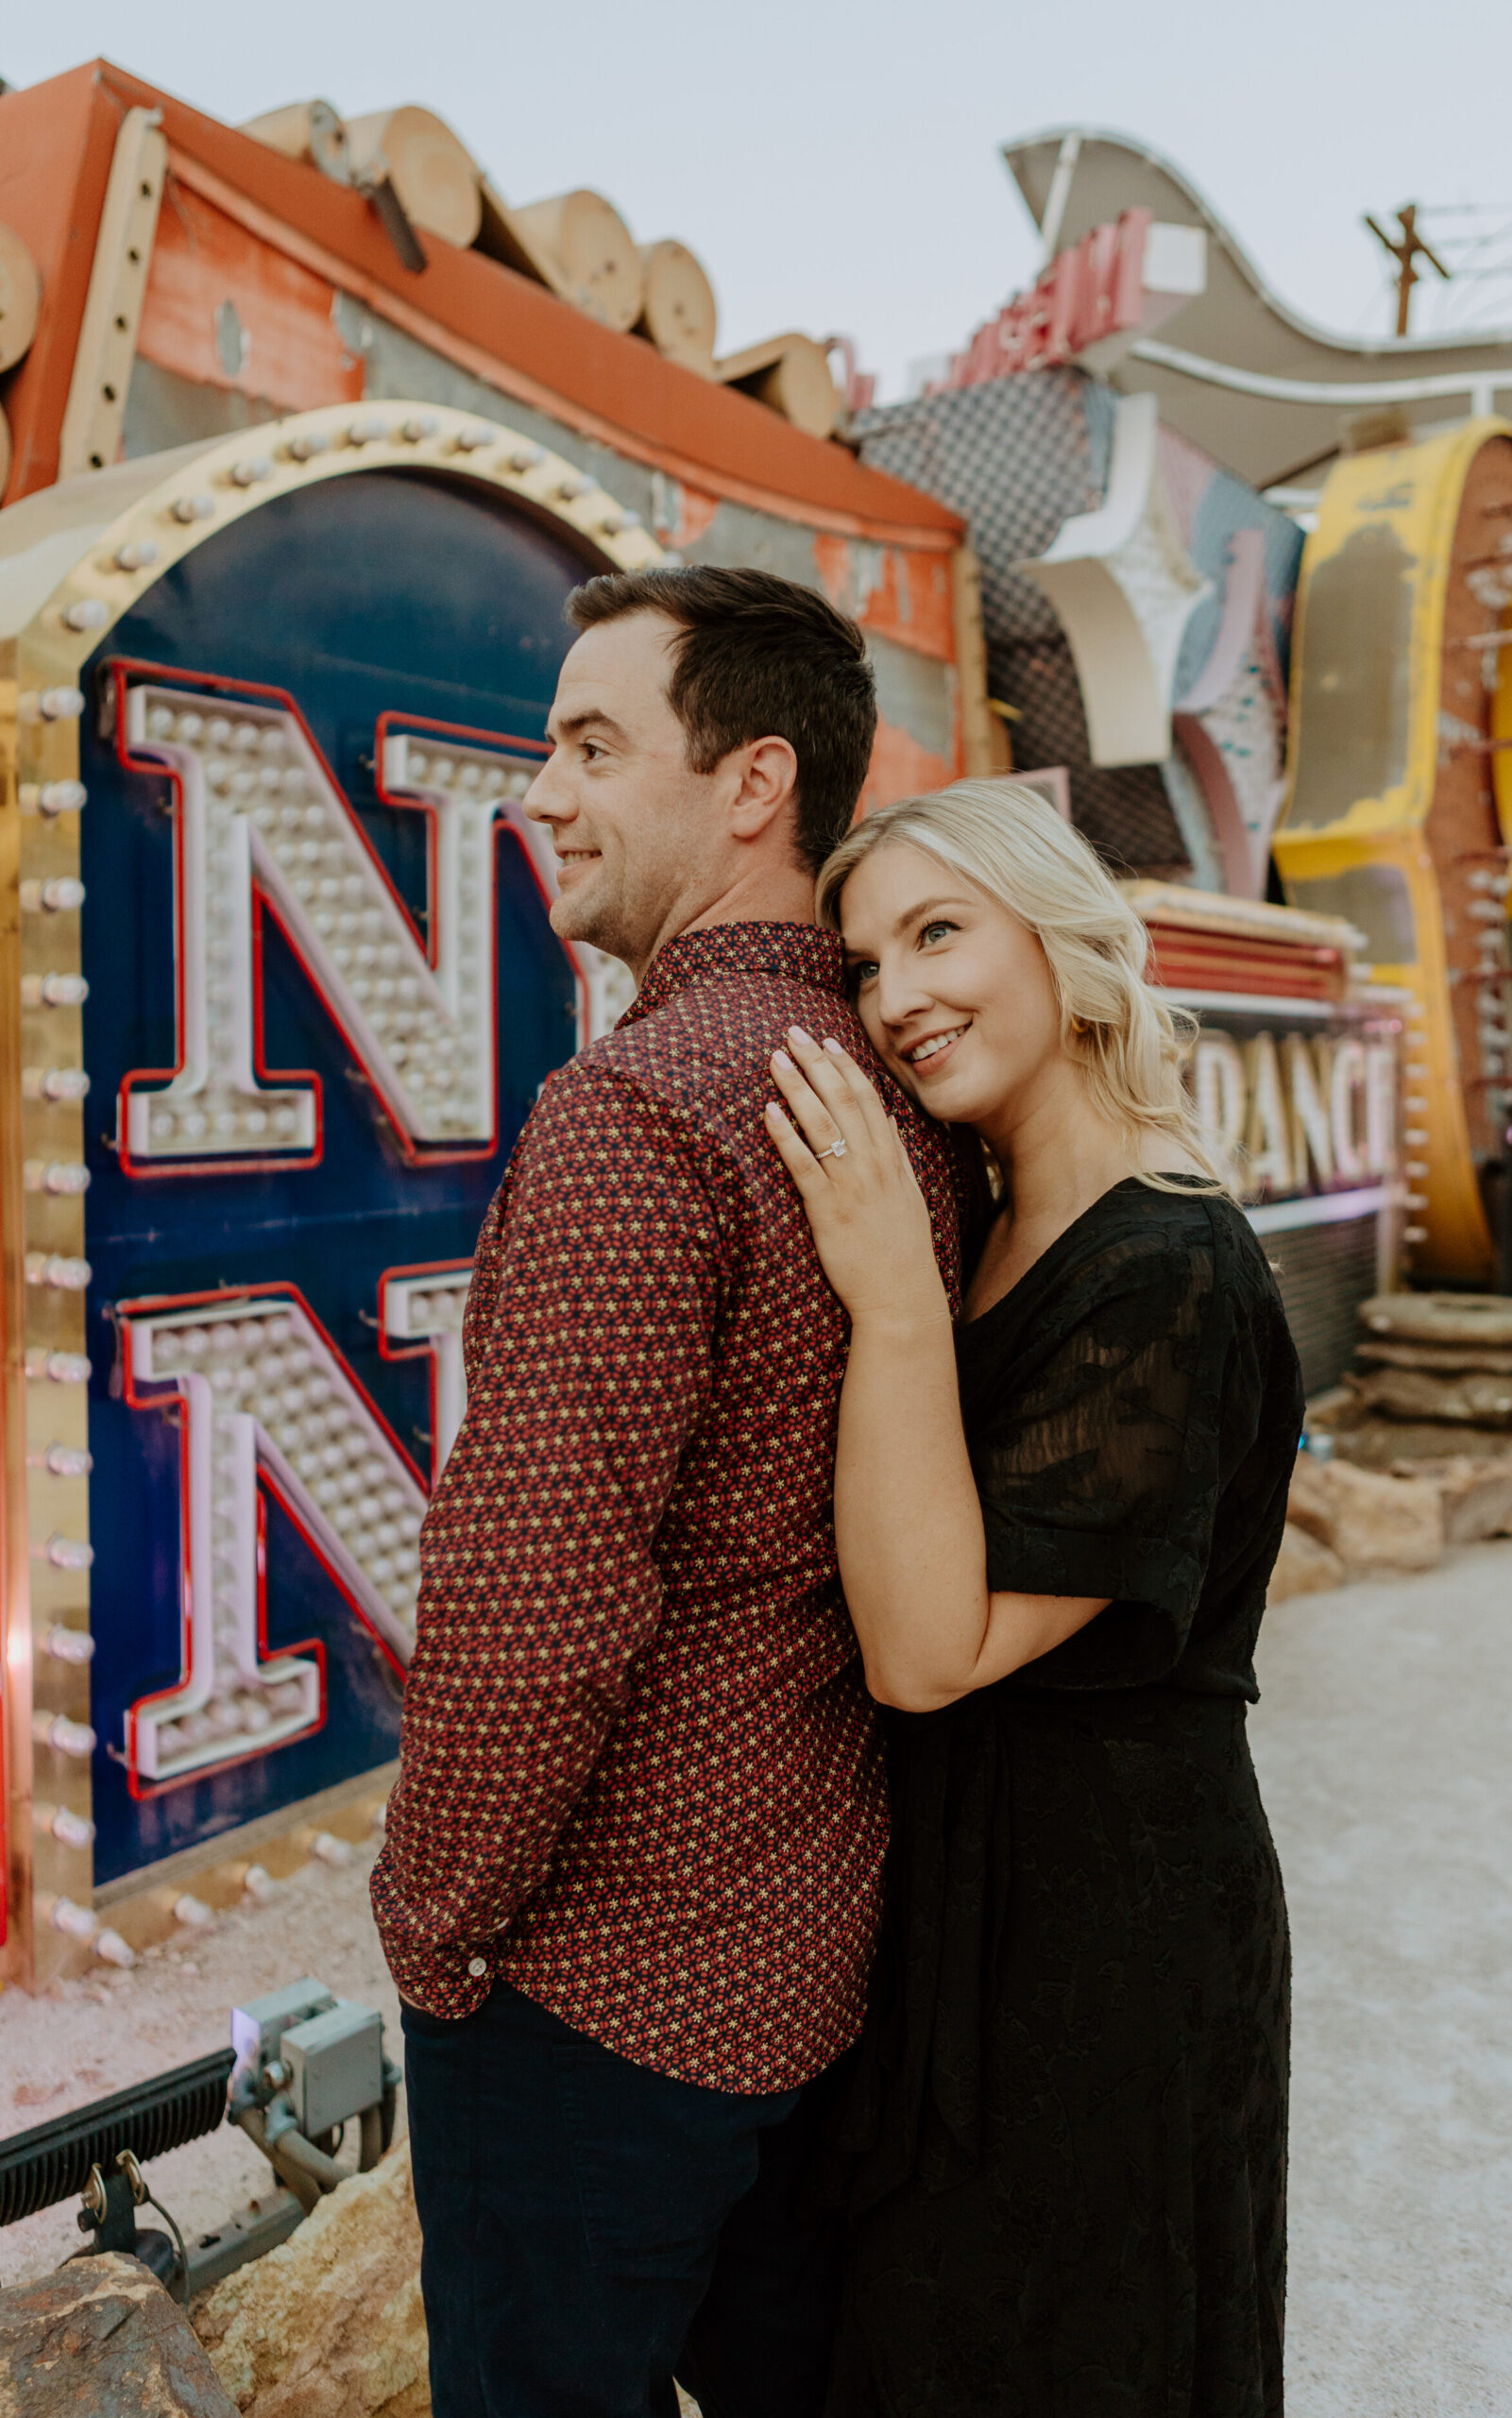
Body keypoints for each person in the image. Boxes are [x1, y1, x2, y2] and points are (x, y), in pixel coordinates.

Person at [369, 568, 972, 2418]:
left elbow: (534, 1604)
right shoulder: (908, 1092)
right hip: (815, 1964)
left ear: (751, 782)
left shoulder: (635, 1111)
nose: (537, 790)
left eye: (590, 743)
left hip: (597, 2005)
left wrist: (431, 1916)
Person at [763, 779, 1301, 2418]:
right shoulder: (998, 1210)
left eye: (939, 933)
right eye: (863, 966)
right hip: (969, 1905)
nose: (897, 996)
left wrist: (890, 1305)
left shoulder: (1168, 1270)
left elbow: (932, 1652)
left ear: (1063, 940)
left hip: (1110, 1944)